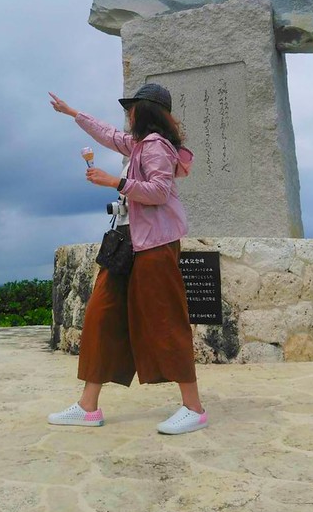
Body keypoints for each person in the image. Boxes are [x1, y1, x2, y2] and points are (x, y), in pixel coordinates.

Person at [48, 83, 207, 435]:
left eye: (131, 108)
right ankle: (88, 407)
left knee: (166, 319)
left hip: (155, 246)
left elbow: (160, 192)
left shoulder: (155, 147)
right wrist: (74, 113)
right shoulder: (137, 144)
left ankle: (194, 407)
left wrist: (114, 182)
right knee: (102, 315)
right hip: (126, 243)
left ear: (145, 111)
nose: (127, 114)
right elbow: (107, 134)